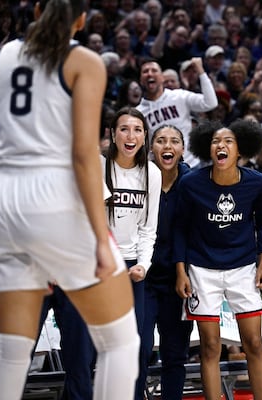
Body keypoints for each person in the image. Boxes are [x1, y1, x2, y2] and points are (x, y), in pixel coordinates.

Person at [0, 1, 139, 399]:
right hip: (53, 194)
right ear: (81, 20)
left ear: (35, 12)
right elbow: (84, 155)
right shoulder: (83, 61)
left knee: (9, 352)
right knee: (120, 341)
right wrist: (100, 237)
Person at [173, 119, 262, 400]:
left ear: (240, 149)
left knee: (253, 342)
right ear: (208, 148)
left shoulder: (257, 183)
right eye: (216, 141)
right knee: (210, 346)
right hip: (202, 269)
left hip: (243, 268)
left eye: (228, 141)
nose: (221, 146)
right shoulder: (191, 183)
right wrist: (181, 271)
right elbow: (180, 227)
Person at [102, 107, 161, 399]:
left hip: (134, 269)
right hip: (100, 267)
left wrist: (143, 264)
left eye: (137, 129)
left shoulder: (151, 172)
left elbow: (149, 228)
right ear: (113, 134)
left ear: (145, 136)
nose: (131, 135)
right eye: (124, 128)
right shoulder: (99, 166)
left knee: (137, 344)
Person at [140, 124, 194, 399]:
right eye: (160, 140)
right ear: (152, 148)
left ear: (182, 149)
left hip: (179, 281)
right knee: (139, 348)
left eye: (174, 141)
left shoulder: (193, 183)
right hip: (144, 279)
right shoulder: (139, 179)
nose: (167, 146)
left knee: (175, 355)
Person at [136, 57, 218, 169]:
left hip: (191, 165)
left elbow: (211, 103)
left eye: (154, 70)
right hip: (163, 172)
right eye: (145, 71)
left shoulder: (179, 96)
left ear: (162, 78)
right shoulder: (138, 113)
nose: (150, 74)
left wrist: (200, 71)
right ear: (141, 80)